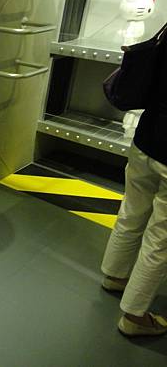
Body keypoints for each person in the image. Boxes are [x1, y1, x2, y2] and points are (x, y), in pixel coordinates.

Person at [101, 33, 167, 337]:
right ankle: (134, 316)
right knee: (160, 238)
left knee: (131, 211)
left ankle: (114, 276)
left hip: (147, 138)